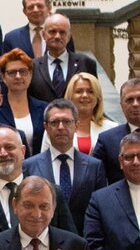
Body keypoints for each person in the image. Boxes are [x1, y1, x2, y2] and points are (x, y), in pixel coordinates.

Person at [0, 126, 74, 243]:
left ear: (23, 151)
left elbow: (70, 242)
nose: (3, 153)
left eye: (9, 147)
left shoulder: (51, 192)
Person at [23, 99, 108, 232]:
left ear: (76, 126)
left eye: (67, 121)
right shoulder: (29, 166)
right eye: (54, 122)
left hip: (84, 241)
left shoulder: (94, 166)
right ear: (46, 127)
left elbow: (102, 210)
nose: (61, 127)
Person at [41, 71, 117, 155]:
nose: (85, 95)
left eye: (91, 91)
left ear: (98, 97)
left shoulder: (112, 128)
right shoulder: (54, 127)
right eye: (79, 91)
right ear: (70, 96)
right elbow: (44, 161)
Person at [29, 13, 97, 102]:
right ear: (43, 35)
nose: (57, 36)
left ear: (69, 36)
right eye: (52, 32)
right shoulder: (33, 66)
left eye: (62, 32)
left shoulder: (86, 63)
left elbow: (94, 96)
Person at [0, 48, 48, 154]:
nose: (18, 76)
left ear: (31, 74)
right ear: (3, 77)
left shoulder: (44, 108)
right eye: (12, 72)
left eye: (23, 71)